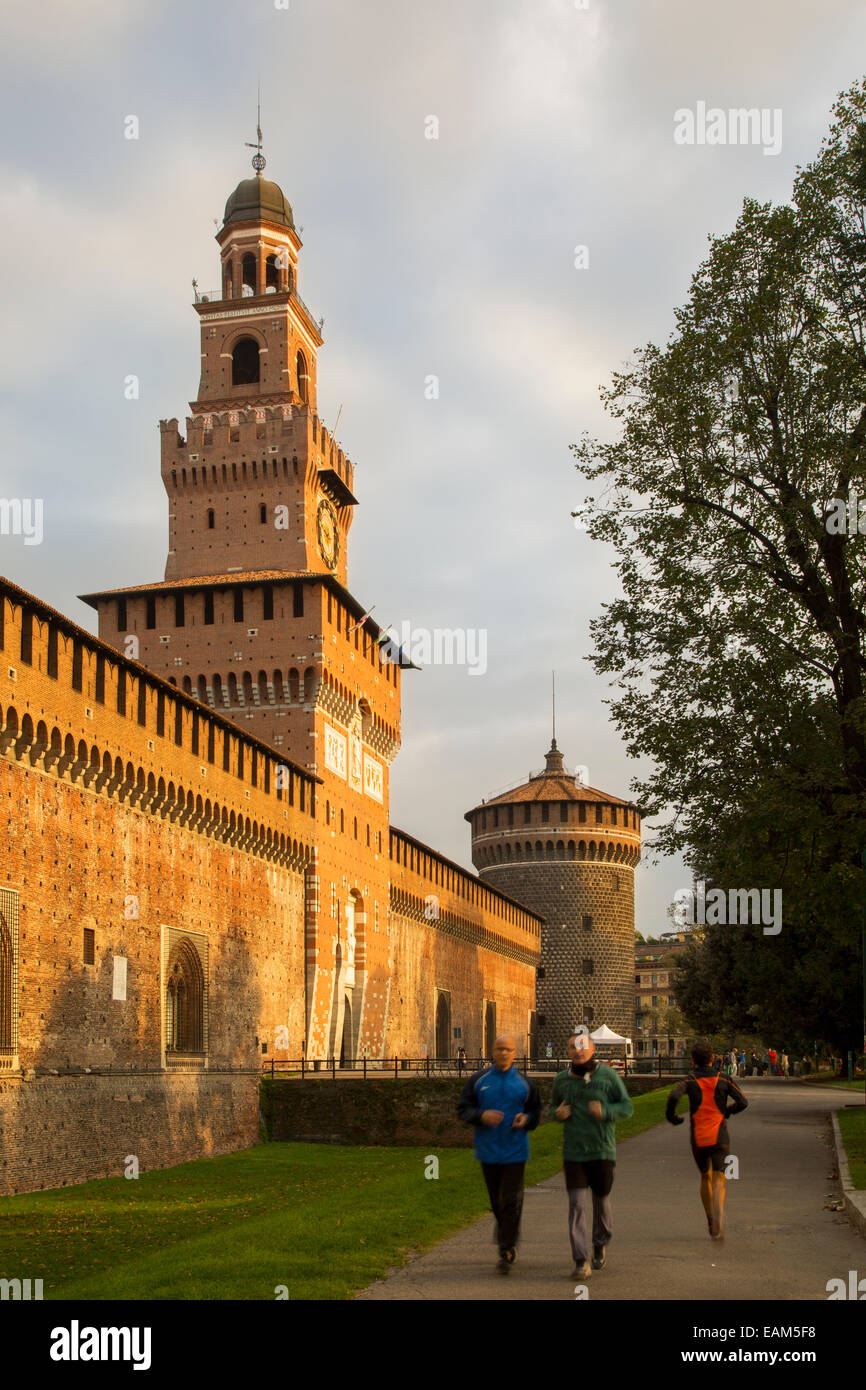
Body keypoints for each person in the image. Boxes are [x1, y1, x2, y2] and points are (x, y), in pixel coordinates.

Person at [550, 1030, 634, 1279]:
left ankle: (600, 1242)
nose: (578, 1050)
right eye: (573, 1047)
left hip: (601, 1150)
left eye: (582, 1046)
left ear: (592, 1050)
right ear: (568, 1052)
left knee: (602, 1203)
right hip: (574, 1152)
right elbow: (553, 1106)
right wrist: (557, 1113)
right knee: (576, 1205)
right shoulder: (561, 1080)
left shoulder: (608, 1076)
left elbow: (627, 1106)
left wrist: (606, 1111)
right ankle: (580, 1260)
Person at [457, 1034, 542, 1273]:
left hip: (516, 1152)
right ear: (493, 1052)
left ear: (515, 1053)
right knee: (497, 1202)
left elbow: (536, 1112)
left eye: (508, 1049)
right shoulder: (478, 1080)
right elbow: (463, 1109)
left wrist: (526, 1119)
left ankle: (506, 1248)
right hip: (488, 1151)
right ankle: (507, 1235)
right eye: (500, 1049)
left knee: (511, 1200)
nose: (504, 1053)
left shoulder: (525, 1083)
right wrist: (481, 1116)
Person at [665, 1041, 748, 1239]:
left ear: (693, 1060)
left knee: (705, 1175)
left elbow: (674, 1096)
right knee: (720, 1177)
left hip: (699, 1136)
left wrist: (672, 1117)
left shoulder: (689, 1080)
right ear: (713, 1059)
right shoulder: (724, 1078)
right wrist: (727, 1111)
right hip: (720, 1134)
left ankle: (711, 1219)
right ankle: (720, 1208)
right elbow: (743, 1102)